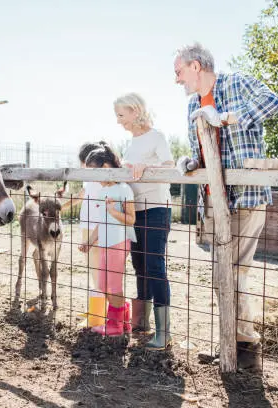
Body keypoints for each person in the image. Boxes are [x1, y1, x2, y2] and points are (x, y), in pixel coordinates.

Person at [174, 42, 278, 369]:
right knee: (223, 274)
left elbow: (273, 102)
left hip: (246, 196)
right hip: (214, 201)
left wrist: (225, 118)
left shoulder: (237, 83)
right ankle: (230, 343)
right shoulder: (193, 104)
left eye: (178, 72)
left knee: (234, 273)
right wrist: (190, 163)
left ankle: (244, 347)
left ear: (196, 66)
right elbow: (205, 152)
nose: (177, 80)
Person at [114, 92, 176, 350]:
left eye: (121, 115)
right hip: (135, 212)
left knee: (154, 267)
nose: (118, 121)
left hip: (156, 209)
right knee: (139, 264)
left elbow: (171, 167)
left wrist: (145, 169)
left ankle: (164, 333)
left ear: (135, 111)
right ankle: (142, 322)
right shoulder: (131, 142)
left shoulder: (157, 137)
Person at [78, 144, 136, 337]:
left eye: (94, 173)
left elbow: (131, 219)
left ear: (105, 168)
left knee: (114, 285)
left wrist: (113, 211)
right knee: (103, 284)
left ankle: (115, 325)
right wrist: (90, 241)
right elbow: (101, 221)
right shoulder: (102, 192)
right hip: (104, 243)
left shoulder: (124, 189)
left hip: (118, 243)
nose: (93, 180)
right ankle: (124, 318)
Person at [62, 141, 107, 328]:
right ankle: (96, 309)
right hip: (87, 226)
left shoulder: (99, 177)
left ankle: (99, 316)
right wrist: (60, 207)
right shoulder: (90, 178)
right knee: (92, 268)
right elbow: (81, 195)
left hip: (96, 227)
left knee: (98, 270)